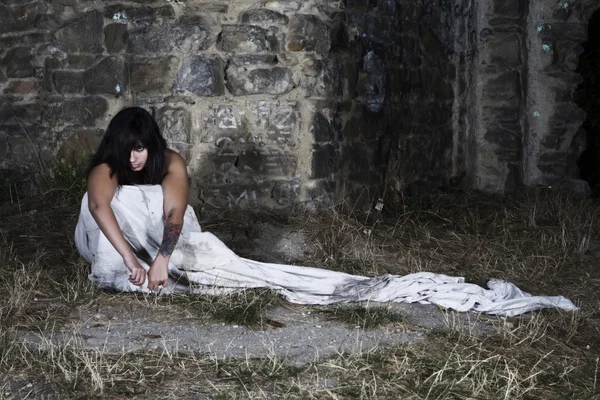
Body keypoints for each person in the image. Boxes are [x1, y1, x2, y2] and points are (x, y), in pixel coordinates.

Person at [86, 106, 188, 291]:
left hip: (152, 236)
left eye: (139, 148)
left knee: (159, 196)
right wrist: (130, 260)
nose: (132, 158)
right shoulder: (108, 165)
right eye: (125, 150)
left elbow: (175, 211)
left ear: (152, 144)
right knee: (108, 197)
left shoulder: (170, 162)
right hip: (107, 238)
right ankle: (125, 268)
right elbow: (97, 206)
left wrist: (162, 260)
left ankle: (155, 264)